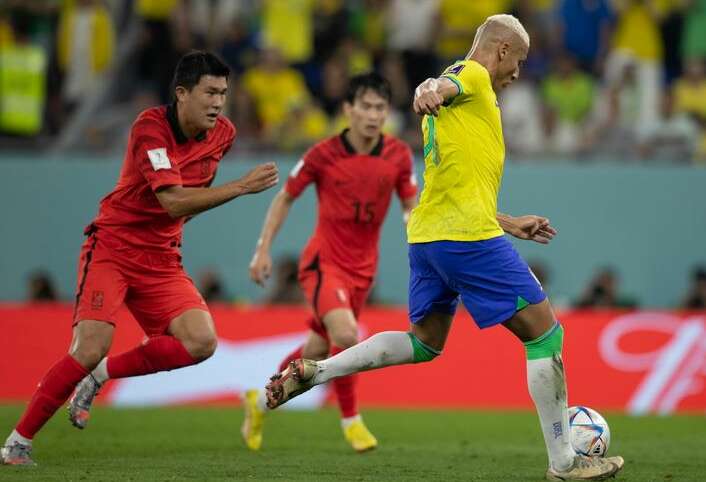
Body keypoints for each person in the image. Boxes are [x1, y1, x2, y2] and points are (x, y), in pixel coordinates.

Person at [263, 15, 625, 481]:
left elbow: (457, 179)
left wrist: (509, 221)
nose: (518, 72)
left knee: (425, 341)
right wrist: (426, 89)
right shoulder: (472, 75)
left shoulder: (469, 101)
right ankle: (564, 463)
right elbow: (440, 84)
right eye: (518, 60)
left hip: (429, 237)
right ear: (500, 50)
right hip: (466, 238)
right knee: (544, 334)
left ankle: (319, 370)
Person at [0, 51, 279, 466]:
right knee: (89, 347)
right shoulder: (150, 128)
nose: (218, 102)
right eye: (209, 92)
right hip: (114, 246)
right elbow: (173, 201)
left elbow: (185, 204)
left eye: (223, 92)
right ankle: (17, 443)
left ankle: (101, 376)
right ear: (182, 93)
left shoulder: (224, 134)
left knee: (201, 342)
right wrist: (240, 187)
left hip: (161, 257)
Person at [242, 72, 418, 453]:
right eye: (366, 107)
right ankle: (351, 420)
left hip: (363, 271)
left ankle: (258, 401)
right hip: (325, 264)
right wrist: (262, 249)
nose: (374, 115)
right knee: (346, 337)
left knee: (318, 351)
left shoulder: (399, 156)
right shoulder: (323, 154)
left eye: (380, 108)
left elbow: (410, 205)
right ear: (348, 110)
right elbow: (285, 197)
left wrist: (415, 232)